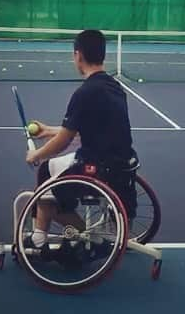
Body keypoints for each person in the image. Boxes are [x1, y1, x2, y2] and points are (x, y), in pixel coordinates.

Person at [25, 29, 138, 253]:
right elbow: (90, 128)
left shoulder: (85, 92)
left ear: (78, 55)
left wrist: (36, 155)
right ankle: (43, 236)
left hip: (98, 167)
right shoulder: (113, 87)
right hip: (121, 163)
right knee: (50, 169)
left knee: (46, 180)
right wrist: (48, 131)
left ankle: (85, 236)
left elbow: (64, 141)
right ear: (103, 55)